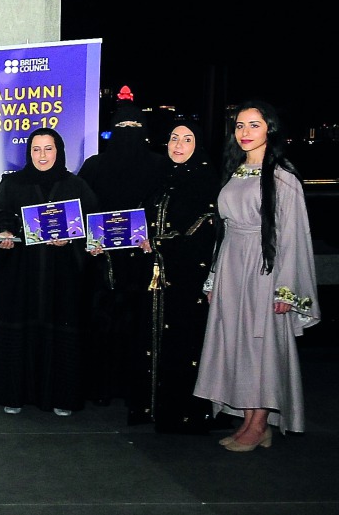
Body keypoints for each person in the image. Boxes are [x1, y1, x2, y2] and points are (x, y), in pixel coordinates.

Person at [195, 100, 322, 451]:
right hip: (233, 265)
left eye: (254, 125)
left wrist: (286, 289)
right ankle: (250, 421)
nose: (245, 132)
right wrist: (215, 276)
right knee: (239, 343)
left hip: (264, 269)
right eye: (239, 125)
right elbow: (224, 230)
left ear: (270, 129)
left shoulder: (282, 176)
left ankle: (260, 423)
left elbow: (293, 235)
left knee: (261, 345)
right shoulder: (236, 171)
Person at [0, 127, 98, 416]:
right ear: (29, 152)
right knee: (19, 332)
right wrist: (5, 235)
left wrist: (72, 239)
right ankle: (14, 394)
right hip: (21, 275)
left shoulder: (76, 185)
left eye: (48, 148)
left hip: (63, 278)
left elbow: (92, 227)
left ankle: (61, 397)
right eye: (36, 149)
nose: (42, 155)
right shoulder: (12, 184)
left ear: (59, 151)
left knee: (61, 334)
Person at [77, 86, 164, 415]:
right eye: (122, 127)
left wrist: (152, 235)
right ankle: (100, 386)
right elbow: (80, 207)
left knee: (138, 323)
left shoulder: (159, 166)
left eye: (135, 127)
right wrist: (90, 238)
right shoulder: (95, 166)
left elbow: (165, 207)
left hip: (143, 260)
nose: (128, 133)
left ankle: (134, 388)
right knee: (101, 324)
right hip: (103, 260)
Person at [135, 119, 221, 433]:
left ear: (198, 145)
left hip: (187, 276)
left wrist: (160, 242)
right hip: (158, 275)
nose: (178, 145)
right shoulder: (162, 177)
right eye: (174, 138)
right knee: (156, 335)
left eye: (187, 139)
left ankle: (184, 414)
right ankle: (154, 408)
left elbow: (202, 228)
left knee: (184, 339)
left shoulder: (205, 179)